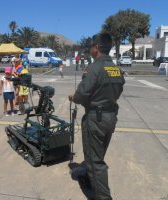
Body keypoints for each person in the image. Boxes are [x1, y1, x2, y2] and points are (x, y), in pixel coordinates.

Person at [69, 33, 125, 200]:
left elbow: (82, 94)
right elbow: (119, 90)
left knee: (95, 162)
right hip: (110, 117)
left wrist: (74, 98)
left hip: (95, 119)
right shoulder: (116, 68)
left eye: (92, 46)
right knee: (98, 155)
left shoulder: (94, 68)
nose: (91, 49)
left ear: (97, 48)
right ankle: (89, 177)